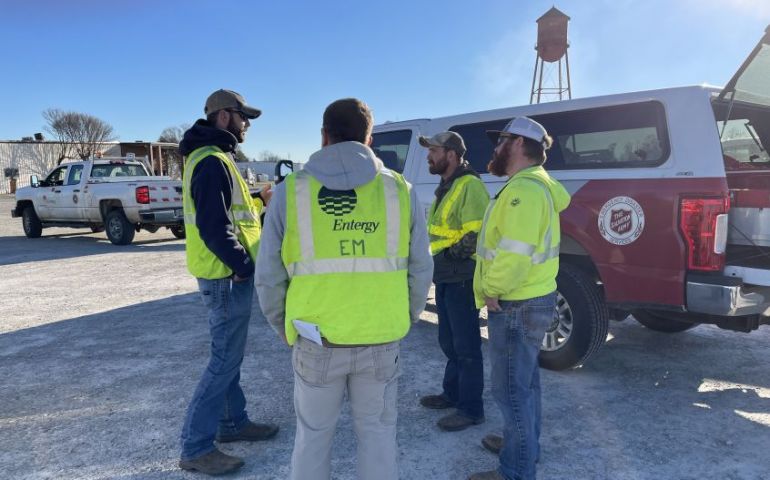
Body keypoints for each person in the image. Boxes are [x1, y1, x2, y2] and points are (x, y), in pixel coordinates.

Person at [255, 98, 433, 480]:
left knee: (313, 439)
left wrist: (285, 330)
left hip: (316, 341)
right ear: (369, 138)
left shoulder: (291, 191)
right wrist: (404, 318)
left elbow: (268, 275)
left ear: (324, 135)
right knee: (379, 438)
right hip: (381, 341)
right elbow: (421, 268)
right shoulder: (401, 190)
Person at [178, 89, 279, 476]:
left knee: (229, 356)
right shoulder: (210, 161)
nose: (247, 124)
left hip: (223, 274)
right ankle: (196, 446)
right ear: (223, 117)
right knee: (223, 361)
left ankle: (233, 422)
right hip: (225, 276)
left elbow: (231, 211)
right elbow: (213, 224)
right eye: (243, 116)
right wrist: (241, 264)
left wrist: (260, 199)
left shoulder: (216, 158)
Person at [468, 117, 571, 480]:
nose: (495, 149)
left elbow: (514, 253)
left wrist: (492, 290)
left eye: (501, 141)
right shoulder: (534, 187)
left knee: (511, 390)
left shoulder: (522, 192)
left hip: (515, 303)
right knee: (525, 385)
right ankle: (524, 447)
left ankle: (516, 469)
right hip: (532, 299)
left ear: (517, 144)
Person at [417, 131, 489, 431]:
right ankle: (452, 393)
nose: (428, 156)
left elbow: (478, 234)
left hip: (461, 276)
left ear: (451, 153)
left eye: (433, 150)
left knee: (466, 346)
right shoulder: (447, 186)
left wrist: (450, 258)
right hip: (446, 275)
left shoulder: (470, 186)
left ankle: (471, 409)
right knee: (449, 341)